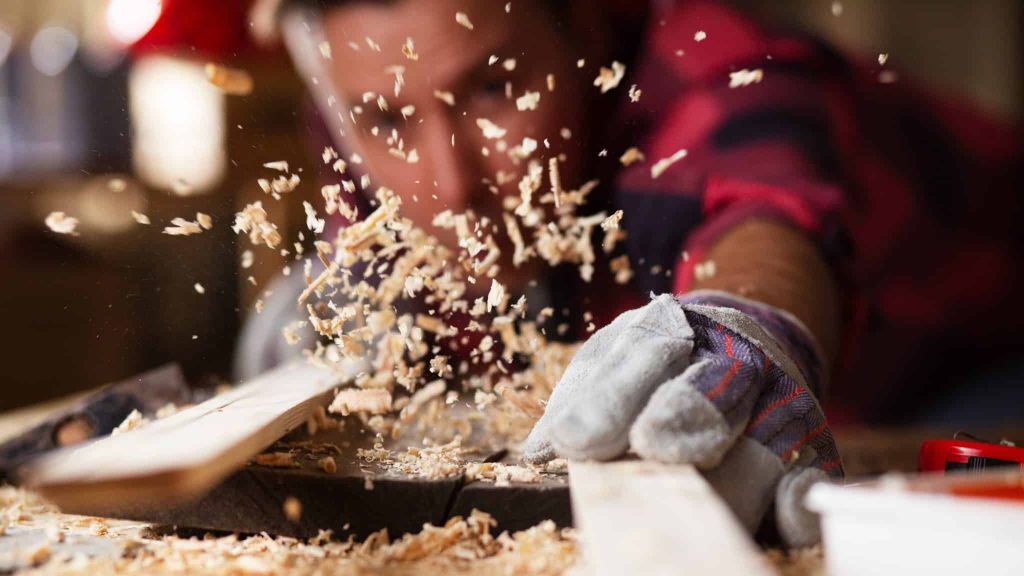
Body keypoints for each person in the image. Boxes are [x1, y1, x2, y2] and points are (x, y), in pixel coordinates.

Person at [242, 0, 1022, 545]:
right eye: (385, 122)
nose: (452, 183)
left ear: (582, 21)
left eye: (494, 87)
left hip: (972, 355)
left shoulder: (726, 68)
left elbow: (768, 217)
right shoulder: (366, 97)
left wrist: (748, 328)